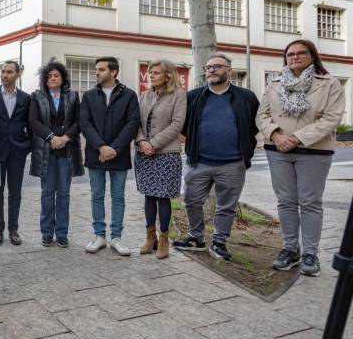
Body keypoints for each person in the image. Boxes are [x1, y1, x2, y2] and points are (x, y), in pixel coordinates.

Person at [257, 39, 345, 277]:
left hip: (314, 150)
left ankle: (310, 253)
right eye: (290, 54)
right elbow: (262, 115)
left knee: (310, 202)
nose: (294, 57)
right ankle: (290, 249)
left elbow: (331, 118)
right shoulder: (274, 84)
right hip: (278, 150)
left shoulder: (329, 84)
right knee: (285, 201)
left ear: (312, 56)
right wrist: (276, 136)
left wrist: (294, 138)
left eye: (300, 53)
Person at [172, 53, 260, 261]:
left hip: (232, 163)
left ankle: (219, 242)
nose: (211, 70)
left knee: (226, 206)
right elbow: (184, 124)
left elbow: (254, 124)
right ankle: (196, 238)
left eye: (217, 66)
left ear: (229, 70)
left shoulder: (246, 97)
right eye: (208, 67)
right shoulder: (192, 96)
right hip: (199, 161)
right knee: (192, 201)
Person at [81, 57, 140, 256]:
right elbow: (85, 123)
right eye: (96, 69)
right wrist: (101, 146)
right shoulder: (89, 96)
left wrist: (114, 148)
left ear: (113, 72)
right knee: (97, 195)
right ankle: (99, 236)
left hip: (119, 154)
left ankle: (116, 237)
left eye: (101, 69)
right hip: (95, 154)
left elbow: (132, 123)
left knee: (118, 197)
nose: (96, 72)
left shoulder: (129, 95)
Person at [28, 59, 83, 248]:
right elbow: (34, 122)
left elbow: (78, 121)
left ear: (62, 78)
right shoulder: (37, 97)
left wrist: (65, 138)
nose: (53, 78)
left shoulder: (73, 96)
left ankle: (62, 234)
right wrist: (51, 137)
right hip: (46, 152)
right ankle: (46, 233)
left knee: (64, 194)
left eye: (56, 75)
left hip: (66, 151)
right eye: (50, 75)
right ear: (45, 79)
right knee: (47, 193)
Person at [134, 60, 186, 260]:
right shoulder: (145, 95)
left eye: (156, 73)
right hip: (144, 153)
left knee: (163, 197)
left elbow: (177, 124)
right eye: (150, 73)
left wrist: (153, 144)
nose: (151, 76)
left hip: (166, 153)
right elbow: (136, 122)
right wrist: (141, 142)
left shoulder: (179, 95)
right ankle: (150, 237)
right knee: (149, 195)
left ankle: (164, 239)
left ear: (168, 75)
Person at [0, 61, 31, 245]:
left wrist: (27, 146)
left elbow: (30, 124)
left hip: (18, 152)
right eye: (3, 72)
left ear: (17, 75)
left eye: (9, 72)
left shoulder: (26, 98)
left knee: (15, 192)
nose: (4, 75)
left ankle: (13, 229)